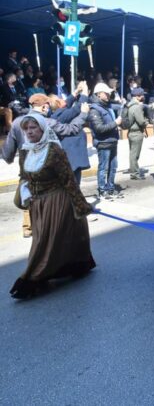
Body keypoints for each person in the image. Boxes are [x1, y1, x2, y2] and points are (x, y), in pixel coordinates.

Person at [10, 114, 95, 299]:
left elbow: (68, 179)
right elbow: (24, 176)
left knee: (45, 242)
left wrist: (80, 205)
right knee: (45, 239)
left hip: (57, 201)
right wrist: (26, 195)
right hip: (37, 204)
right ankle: (70, 265)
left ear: (42, 129)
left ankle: (33, 278)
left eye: (34, 128)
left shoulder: (54, 150)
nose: (30, 132)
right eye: (27, 129)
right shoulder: (25, 151)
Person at [88, 82, 122, 200]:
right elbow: (99, 128)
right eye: (106, 93)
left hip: (113, 141)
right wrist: (115, 123)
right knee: (104, 168)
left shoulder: (107, 106)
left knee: (113, 167)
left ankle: (110, 189)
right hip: (103, 142)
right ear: (98, 94)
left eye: (109, 93)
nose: (108, 95)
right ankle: (102, 191)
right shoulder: (94, 110)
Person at [124, 87, 148, 180]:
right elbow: (141, 121)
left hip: (131, 132)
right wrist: (146, 121)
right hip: (136, 133)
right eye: (142, 95)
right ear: (138, 96)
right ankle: (135, 174)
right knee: (135, 155)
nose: (143, 96)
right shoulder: (137, 107)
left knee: (132, 153)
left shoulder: (129, 105)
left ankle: (133, 171)